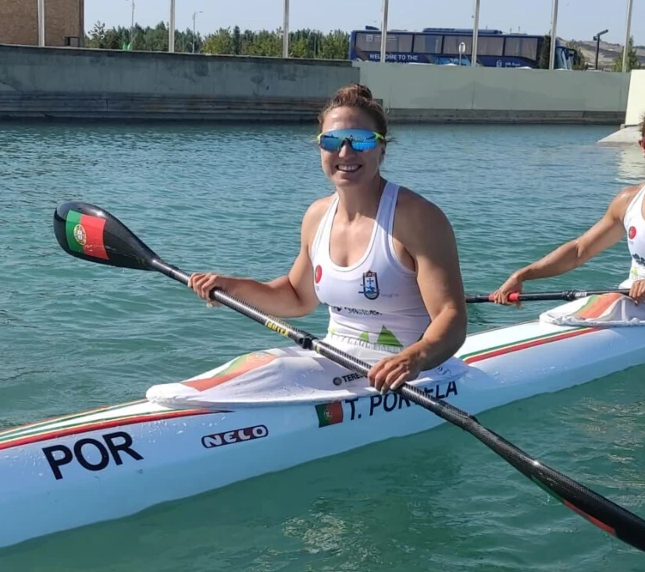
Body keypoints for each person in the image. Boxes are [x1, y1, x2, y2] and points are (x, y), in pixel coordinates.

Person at [188, 83, 468, 394]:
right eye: (332, 141)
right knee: (257, 367)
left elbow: (451, 317)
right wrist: (230, 286)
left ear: (382, 149)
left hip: (411, 375)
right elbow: (296, 297)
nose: (346, 152)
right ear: (321, 148)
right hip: (335, 359)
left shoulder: (417, 217)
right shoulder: (316, 216)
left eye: (361, 141)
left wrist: (413, 358)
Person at [491, 101, 645, 305]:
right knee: (557, 316)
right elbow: (580, 251)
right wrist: (523, 274)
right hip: (634, 296)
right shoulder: (627, 201)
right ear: (643, 147)